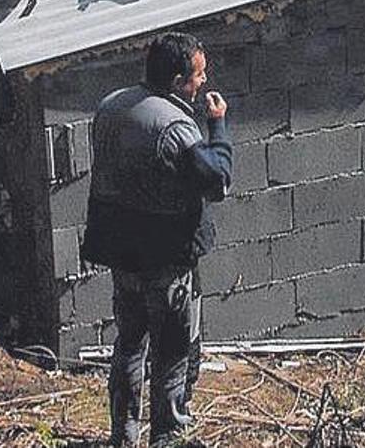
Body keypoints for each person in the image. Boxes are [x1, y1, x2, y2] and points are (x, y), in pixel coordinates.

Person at [81, 32, 233, 447]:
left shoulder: (110, 105)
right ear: (180, 78)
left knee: (129, 344)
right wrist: (217, 126)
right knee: (172, 353)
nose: (203, 82)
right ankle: (168, 437)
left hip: (122, 255)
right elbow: (217, 180)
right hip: (165, 262)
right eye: (199, 74)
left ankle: (123, 437)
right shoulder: (175, 126)